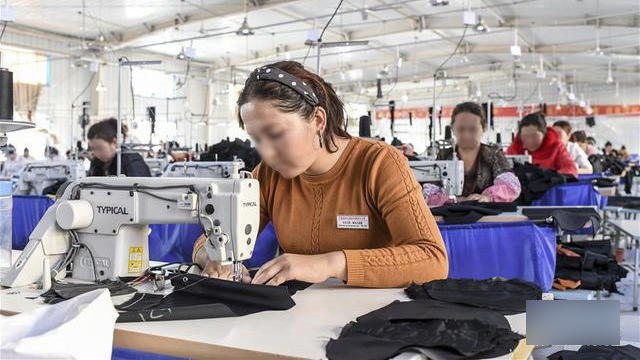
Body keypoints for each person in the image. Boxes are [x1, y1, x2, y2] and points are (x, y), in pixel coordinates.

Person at [192, 61, 448, 288]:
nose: (266, 153)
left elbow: (432, 259)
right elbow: (207, 242)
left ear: (318, 121)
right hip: (300, 318)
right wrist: (214, 259)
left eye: (276, 134)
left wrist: (330, 264)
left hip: (376, 320)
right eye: (257, 139)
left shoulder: (379, 163)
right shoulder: (269, 175)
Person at [423, 102, 521, 206]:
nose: (466, 135)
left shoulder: (494, 154)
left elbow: (511, 187)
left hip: (487, 217)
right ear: (452, 129)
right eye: (461, 129)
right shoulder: (444, 156)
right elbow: (429, 194)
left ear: (483, 128)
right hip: (451, 216)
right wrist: (456, 200)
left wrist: (488, 197)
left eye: (473, 129)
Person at [507, 112, 578, 178]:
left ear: (544, 134)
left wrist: (548, 177)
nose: (530, 141)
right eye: (525, 137)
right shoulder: (514, 149)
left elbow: (571, 169)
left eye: (534, 136)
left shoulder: (556, 147)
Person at [86, 118, 151, 177]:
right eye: (93, 149)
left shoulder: (132, 162)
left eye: (99, 148)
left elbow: (141, 187)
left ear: (114, 142)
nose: (95, 153)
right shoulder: (97, 163)